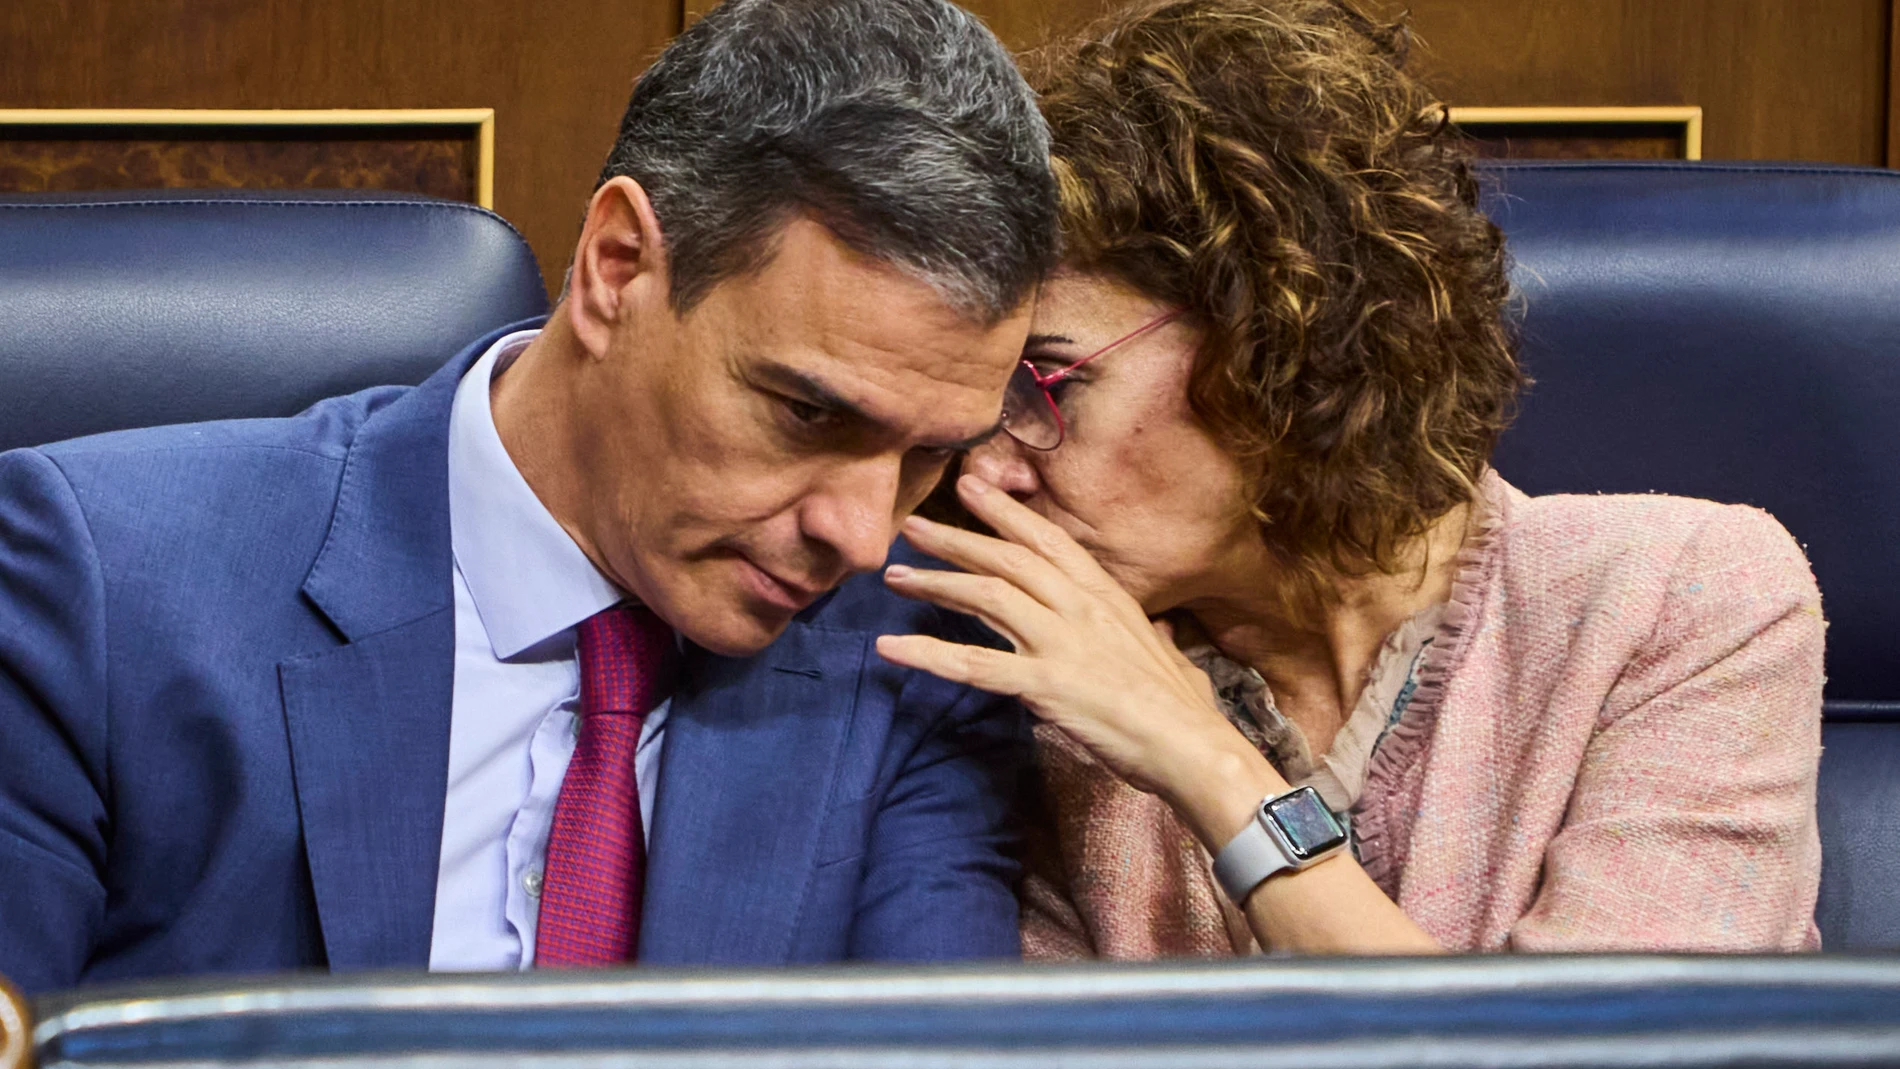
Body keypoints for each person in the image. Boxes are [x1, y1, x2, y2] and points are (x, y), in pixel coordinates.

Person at [0, 0, 1057, 994]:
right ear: (617, 266)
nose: (863, 536)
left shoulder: (916, 661)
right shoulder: (100, 586)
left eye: (927, 456)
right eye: (806, 415)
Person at [878, 0, 1824, 956]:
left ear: (1277, 342)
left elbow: (1624, 1053)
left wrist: (1210, 769)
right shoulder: (1045, 692)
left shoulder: (1682, 598)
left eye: (1046, 383)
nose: (987, 473)